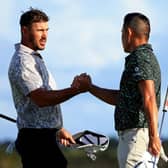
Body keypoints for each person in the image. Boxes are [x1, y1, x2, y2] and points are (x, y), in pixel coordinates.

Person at [73, 12, 162, 167]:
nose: (121, 37)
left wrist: (154, 136)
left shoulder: (140, 58)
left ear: (128, 32)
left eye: (122, 33)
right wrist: (90, 88)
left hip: (135, 138)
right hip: (136, 137)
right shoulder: (144, 57)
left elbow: (149, 97)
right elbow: (121, 99)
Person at [8, 8, 88, 168]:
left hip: (45, 138)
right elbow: (41, 99)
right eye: (39, 30)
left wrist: (58, 128)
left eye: (46, 30)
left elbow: (43, 105)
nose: (45, 36)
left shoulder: (34, 59)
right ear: (24, 30)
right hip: (35, 141)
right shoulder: (23, 62)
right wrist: (76, 90)